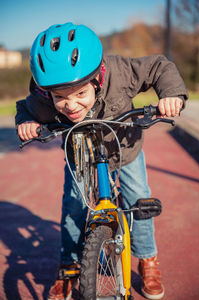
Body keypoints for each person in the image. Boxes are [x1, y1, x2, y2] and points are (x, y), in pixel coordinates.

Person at [16, 22, 188, 300]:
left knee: (137, 198)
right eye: (60, 98)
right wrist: (26, 123)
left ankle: (147, 259)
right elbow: (25, 108)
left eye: (80, 94)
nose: (70, 106)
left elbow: (159, 67)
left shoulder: (120, 72)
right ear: (48, 92)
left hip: (124, 146)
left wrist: (171, 95)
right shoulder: (44, 95)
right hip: (80, 152)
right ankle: (69, 267)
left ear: (97, 79)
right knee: (73, 206)